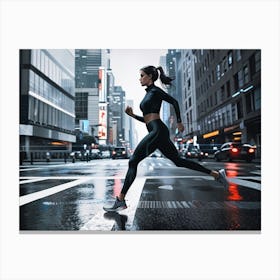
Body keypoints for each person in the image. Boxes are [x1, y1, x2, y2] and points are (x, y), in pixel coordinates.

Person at [103, 65, 229, 212]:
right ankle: (216, 175)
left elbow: (174, 102)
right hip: (157, 130)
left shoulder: (156, 91)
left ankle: (120, 199)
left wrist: (180, 122)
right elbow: (147, 120)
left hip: (158, 131)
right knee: (178, 161)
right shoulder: (149, 93)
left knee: (133, 161)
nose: (140, 78)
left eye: (142, 75)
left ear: (150, 76)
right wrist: (132, 116)